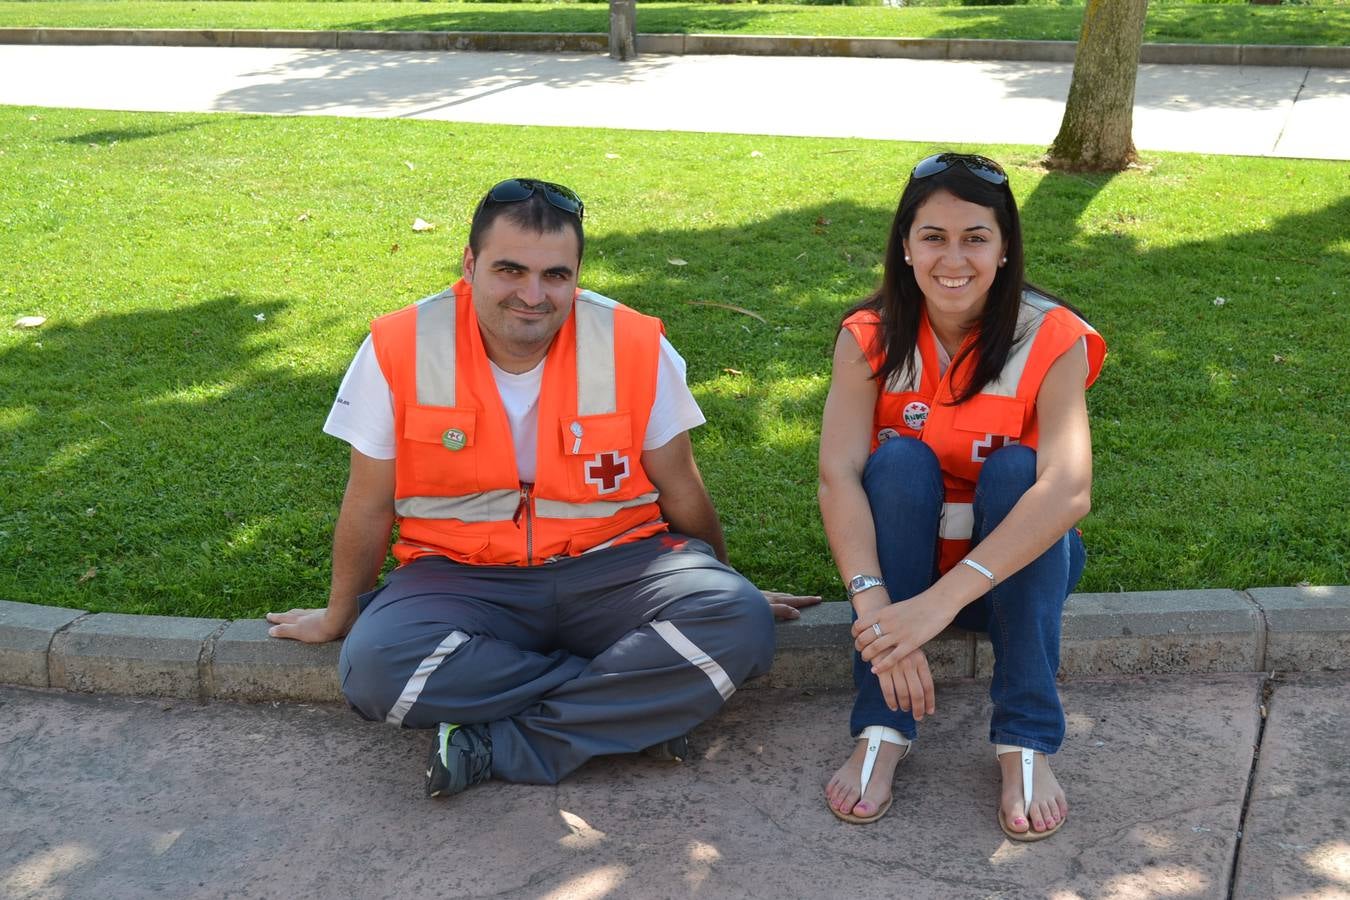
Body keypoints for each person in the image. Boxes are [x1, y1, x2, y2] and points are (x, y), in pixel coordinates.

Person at [267, 177, 817, 798]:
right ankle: (637, 710)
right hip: (460, 575)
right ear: (469, 264)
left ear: (577, 275)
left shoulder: (633, 342)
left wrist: (723, 582)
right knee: (374, 669)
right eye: (509, 270)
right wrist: (341, 615)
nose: (533, 295)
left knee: (738, 623)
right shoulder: (400, 345)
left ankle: (494, 744)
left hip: (620, 566)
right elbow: (368, 503)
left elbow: (680, 486)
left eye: (556, 276)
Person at [817, 153, 1106, 839]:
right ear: (906, 247)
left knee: (1017, 471)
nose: (955, 258)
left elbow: (1069, 489)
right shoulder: (868, 335)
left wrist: (937, 608)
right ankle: (882, 730)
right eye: (933, 236)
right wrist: (884, 618)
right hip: (902, 577)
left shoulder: (1052, 335)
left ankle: (1026, 740)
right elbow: (838, 478)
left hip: (1010, 579)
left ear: (1005, 249)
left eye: (976, 236)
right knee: (898, 464)